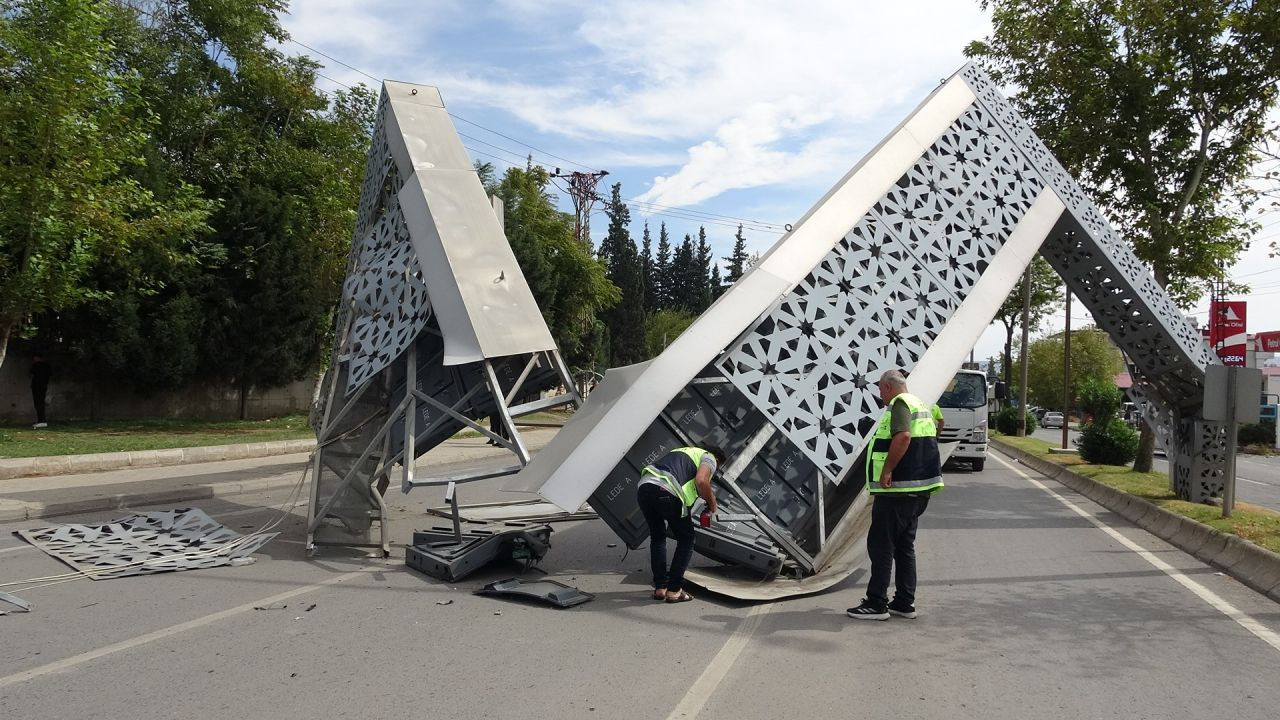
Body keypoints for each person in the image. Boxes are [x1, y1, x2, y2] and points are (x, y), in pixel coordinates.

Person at [847, 369, 944, 621]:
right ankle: (903, 602)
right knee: (904, 547)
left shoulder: (900, 404)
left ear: (889, 387)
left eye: (880, 390)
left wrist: (888, 469)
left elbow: (902, 437)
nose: (880, 396)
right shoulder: (919, 403)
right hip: (918, 489)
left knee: (881, 546)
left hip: (898, 491)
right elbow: (935, 429)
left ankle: (876, 603)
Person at [635, 445, 723, 603]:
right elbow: (701, 481)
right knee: (686, 539)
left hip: (644, 487)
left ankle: (660, 588)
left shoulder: (682, 451)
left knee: (658, 536)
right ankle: (674, 590)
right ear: (717, 460)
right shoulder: (709, 457)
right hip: (667, 490)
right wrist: (712, 503)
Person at [30, 353, 51, 429]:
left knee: (38, 403)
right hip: (43, 386)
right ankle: (41, 421)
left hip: (37, 386)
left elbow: (31, 374)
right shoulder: (47, 366)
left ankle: (42, 421)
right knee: (40, 403)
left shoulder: (36, 365)